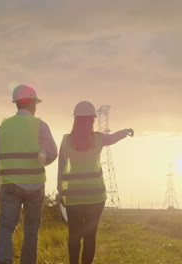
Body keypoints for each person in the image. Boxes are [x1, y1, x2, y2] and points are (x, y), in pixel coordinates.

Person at [57, 101, 133, 264]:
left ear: (75, 120)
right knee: (90, 237)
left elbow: (61, 168)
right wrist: (126, 131)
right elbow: (114, 137)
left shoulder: (66, 140)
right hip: (96, 196)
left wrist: (60, 191)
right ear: (92, 119)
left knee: (74, 235)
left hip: (73, 196)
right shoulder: (99, 139)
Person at [0, 85, 57, 264]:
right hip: (35, 185)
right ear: (33, 104)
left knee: (6, 228)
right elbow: (53, 153)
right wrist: (42, 156)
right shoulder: (41, 125)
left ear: (17, 104)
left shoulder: (4, 126)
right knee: (31, 232)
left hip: (10, 185)